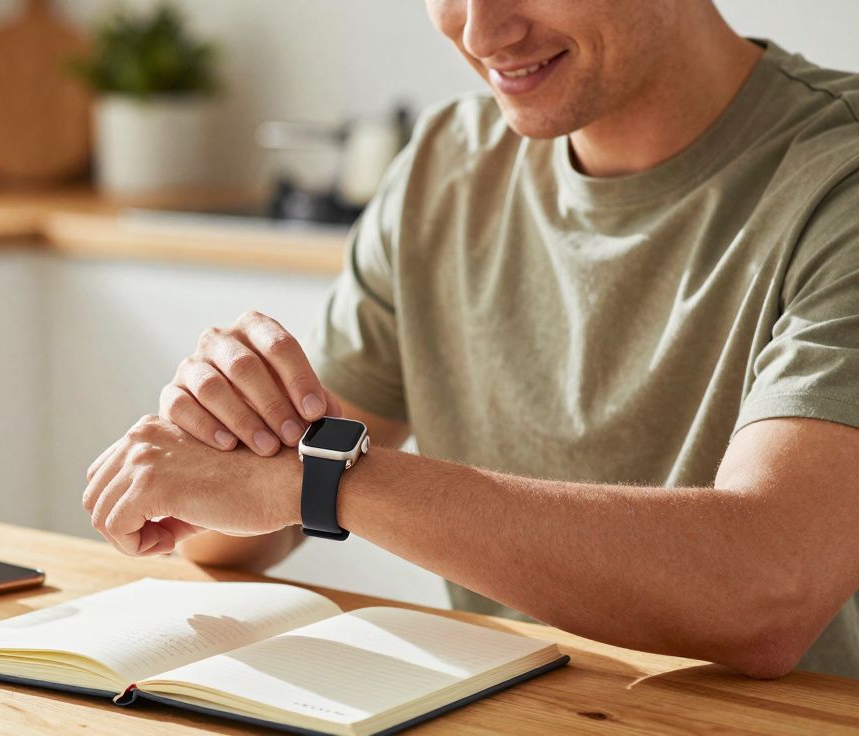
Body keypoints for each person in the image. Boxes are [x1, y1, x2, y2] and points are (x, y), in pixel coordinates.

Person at [81, 0, 859, 679]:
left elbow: (766, 588)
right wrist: (215, 445)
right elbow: (240, 538)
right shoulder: (446, 166)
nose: (484, 31)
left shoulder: (837, 181)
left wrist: (319, 481)